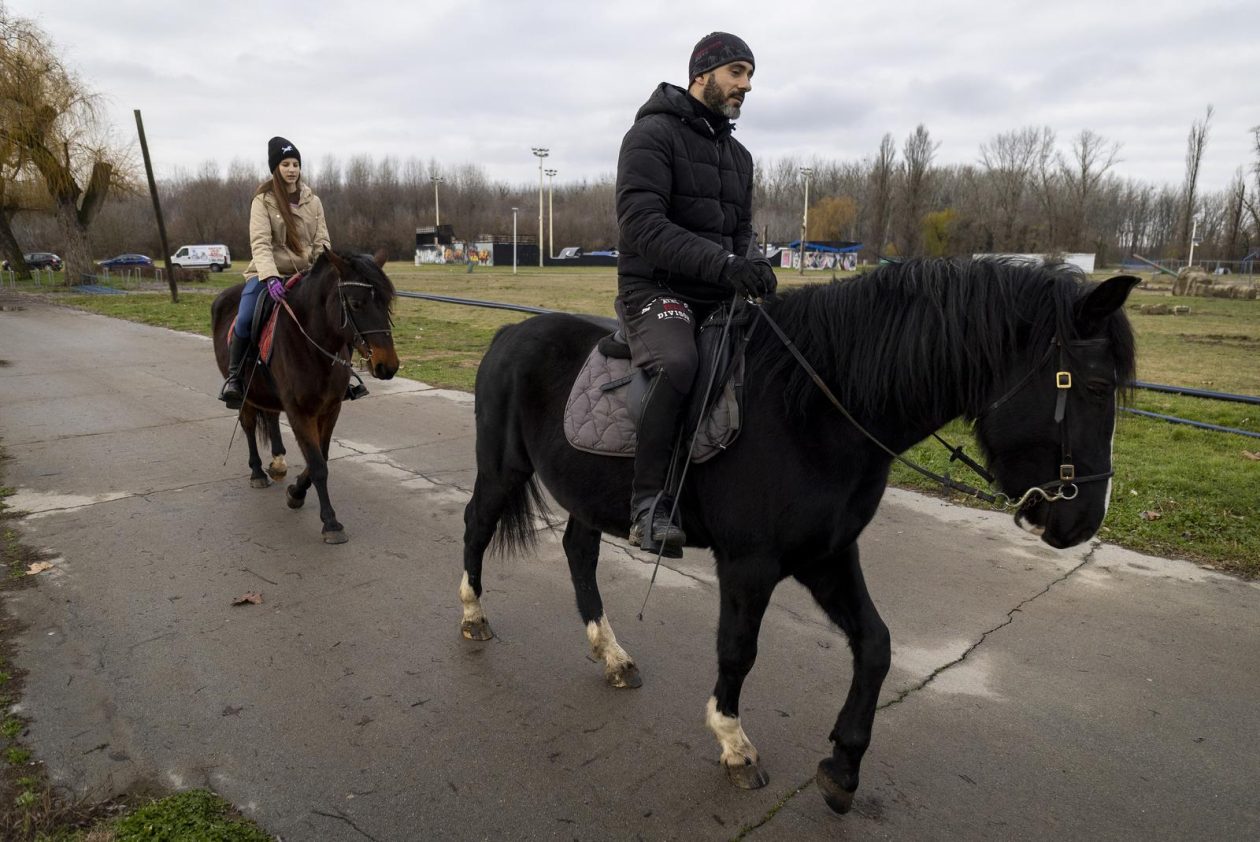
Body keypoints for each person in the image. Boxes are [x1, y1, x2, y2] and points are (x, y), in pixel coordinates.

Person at [614, 32, 777, 555]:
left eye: (750, 75)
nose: (746, 85)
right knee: (679, 363)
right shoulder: (650, 136)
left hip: (718, 289)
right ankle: (648, 505)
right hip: (656, 289)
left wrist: (753, 265)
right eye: (736, 72)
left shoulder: (741, 156)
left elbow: (740, 234)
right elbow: (641, 225)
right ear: (702, 74)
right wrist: (726, 265)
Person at [220, 136, 331, 408]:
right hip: (268, 273)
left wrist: (323, 270)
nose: (292, 169)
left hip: (305, 273)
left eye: (295, 164)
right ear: (275, 168)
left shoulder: (313, 201)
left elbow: (323, 241)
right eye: (285, 164)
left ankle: (344, 376)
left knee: (334, 311)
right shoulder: (263, 201)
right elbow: (259, 242)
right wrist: (269, 276)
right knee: (246, 317)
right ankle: (235, 378)